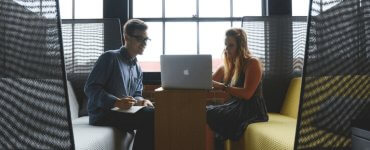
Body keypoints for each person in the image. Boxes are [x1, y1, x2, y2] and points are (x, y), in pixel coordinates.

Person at [84, 19, 154, 150]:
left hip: (123, 112)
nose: (144, 43)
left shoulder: (138, 67)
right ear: (126, 37)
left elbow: (136, 94)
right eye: (140, 39)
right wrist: (115, 102)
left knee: (155, 113)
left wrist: (141, 101)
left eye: (146, 39)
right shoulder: (109, 57)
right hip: (103, 114)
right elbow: (90, 88)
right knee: (150, 116)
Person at [206, 28, 269, 150]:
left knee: (207, 113)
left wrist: (223, 87)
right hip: (236, 105)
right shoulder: (229, 66)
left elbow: (247, 94)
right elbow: (208, 83)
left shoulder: (252, 63)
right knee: (203, 111)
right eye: (226, 45)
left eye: (231, 45)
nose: (227, 49)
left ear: (241, 47)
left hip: (251, 109)